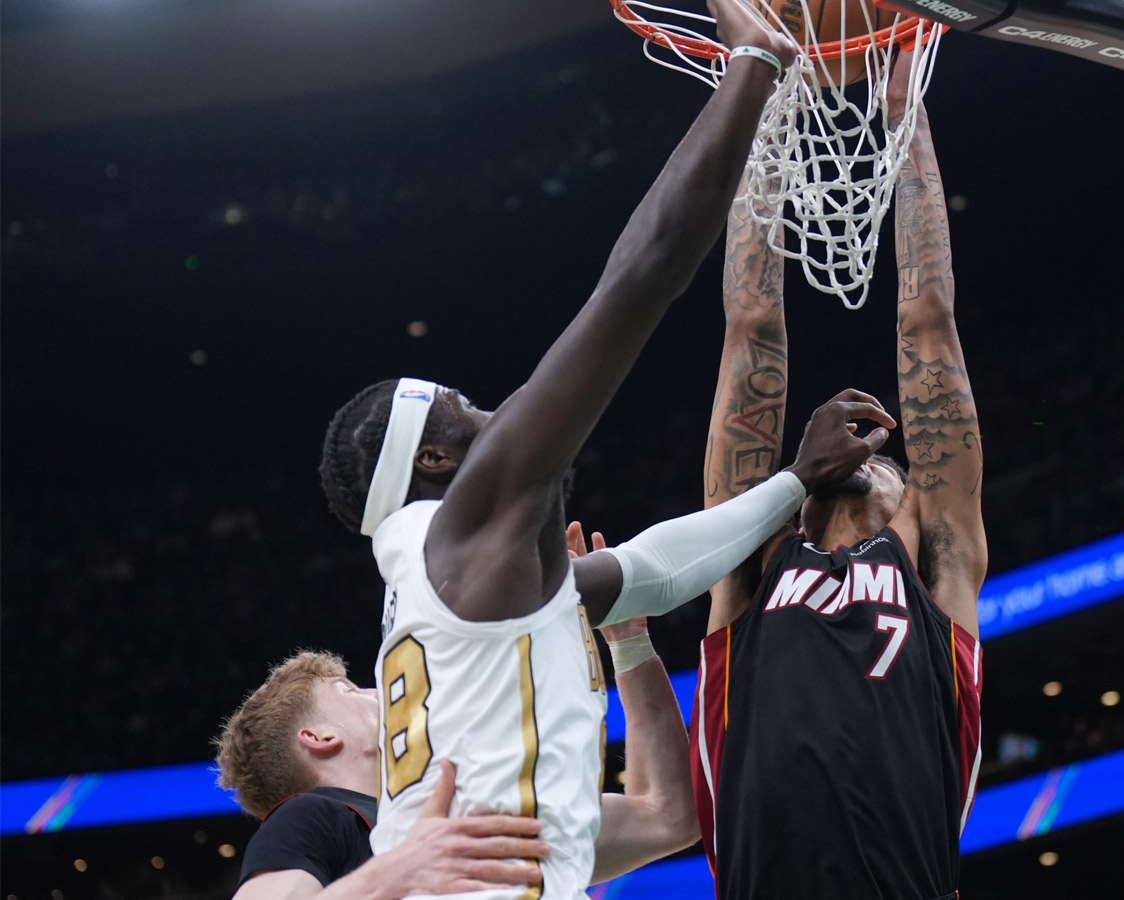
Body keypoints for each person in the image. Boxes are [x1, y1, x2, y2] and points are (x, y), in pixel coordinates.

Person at [314, 2, 896, 897]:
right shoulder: (470, 530)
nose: (492, 412)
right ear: (435, 462)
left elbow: (648, 576)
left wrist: (792, 483)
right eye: (464, 408)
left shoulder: (451, 589)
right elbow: (646, 267)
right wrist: (751, 63)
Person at [692, 56, 984, 900]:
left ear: (917, 508)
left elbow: (928, 324)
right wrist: (766, 106)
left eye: (891, 463)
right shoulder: (748, 566)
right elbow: (749, 329)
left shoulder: (939, 573)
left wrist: (906, 115)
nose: (871, 461)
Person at [213, 603, 693, 898]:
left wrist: (627, 641)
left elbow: (666, 817)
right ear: (320, 738)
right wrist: (402, 869)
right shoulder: (313, 817)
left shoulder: (463, 804)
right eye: (350, 690)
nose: (377, 692)